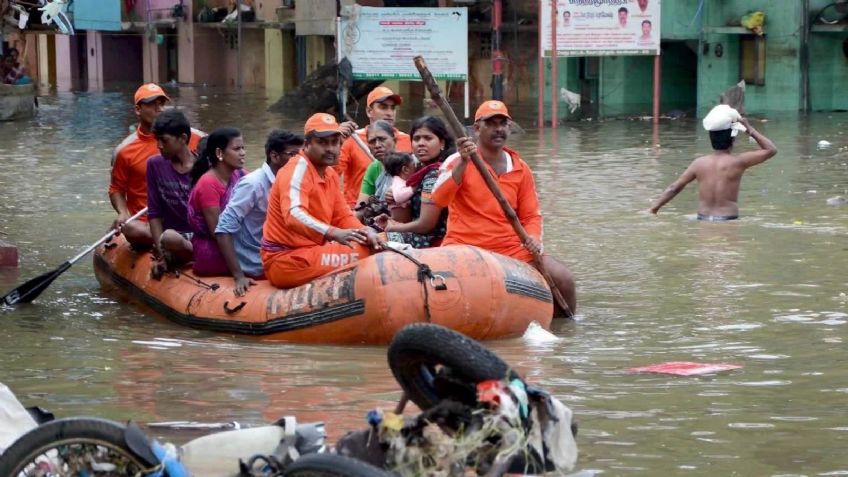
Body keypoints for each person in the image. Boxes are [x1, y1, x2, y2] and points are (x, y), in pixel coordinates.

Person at [431, 101, 576, 315]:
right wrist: (463, 162)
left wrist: (534, 239)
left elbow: (531, 215)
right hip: (465, 245)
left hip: (511, 247)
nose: (498, 128)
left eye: (503, 123)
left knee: (562, 278)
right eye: (491, 123)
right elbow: (439, 199)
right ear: (477, 129)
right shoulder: (457, 160)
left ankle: (565, 328)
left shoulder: (520, 167)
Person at [261, 113, 382, 289]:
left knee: (375, 241)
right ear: (307, 144)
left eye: (335, 142)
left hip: (309, 252)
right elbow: (294, 214)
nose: (330, 149)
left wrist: (365, 231)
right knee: (366, 252)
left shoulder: (330, 173)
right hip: (287, 260)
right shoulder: (297, 169)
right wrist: (333, 233)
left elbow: (342, 216)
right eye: (322, 143)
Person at [109, 83, 203, 249]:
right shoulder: (124, 151)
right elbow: (117, 188)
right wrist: (123, 213)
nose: (158, 109)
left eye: (161, 104)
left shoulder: (193, 137)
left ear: (182, 139)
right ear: (138, 110)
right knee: (132, 228)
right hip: (148, 221)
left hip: (188, 216)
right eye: (152, 104)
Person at [649, 105, 778, 220]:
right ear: (733, 139)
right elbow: (771, 150)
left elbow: (674, 188)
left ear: (711, 138)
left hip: (702, 218)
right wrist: (749, 129)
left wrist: (654, 209)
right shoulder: (738, 162)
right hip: (728, 220)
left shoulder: (698, 163)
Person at [215, 130, 304, 296]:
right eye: (293, 155)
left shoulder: (295, 182)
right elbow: (223, 229)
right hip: (256, 261)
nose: (300, 161)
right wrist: (238, 276)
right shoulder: (253, 184)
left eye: (301, 155)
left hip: (283, 253)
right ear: (275, 156)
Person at [376, 116, 455, 249]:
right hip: (420, 234)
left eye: (428, 138)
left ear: (442, 143)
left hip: (435, 240)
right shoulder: (417, 171)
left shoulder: (436, 174)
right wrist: (395, 203)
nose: (421, 143)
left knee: (378, 240)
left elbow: (426, 224)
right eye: (416, 139)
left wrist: (394, 228)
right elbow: (405, 218)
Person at [336, 86, 412, 208]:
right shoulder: (351, 138)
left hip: (398, 209)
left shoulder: (409, 140)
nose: (389, 113)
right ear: (369, 111)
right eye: (383, 107)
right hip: (357, 208)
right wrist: (335, 142)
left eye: (392, 108)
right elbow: (330, 173)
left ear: (393, 140)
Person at [186, 128, 247, 277]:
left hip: (239, 242)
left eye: (243, 148)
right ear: (219, 153)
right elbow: (218, 233)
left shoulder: (241, 174)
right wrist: (238, 274)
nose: (243, 153)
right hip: (214, 251)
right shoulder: (208, 184)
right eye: (237, 149)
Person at [147, 110, 199, 277]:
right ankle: (172, 255)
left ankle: (198, 255)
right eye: (157, 140)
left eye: (164, 141)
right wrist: (161, 254)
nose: (159, 146)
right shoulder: (154, 165)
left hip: (197, 237)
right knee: (133, 229)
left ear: (183, 139)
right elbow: (154, 213)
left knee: (171, 238)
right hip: (171, 236)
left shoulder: (203, 167)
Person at [354, 120, 398, 222]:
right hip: (378, 224)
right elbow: (360, 209)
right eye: (372, 141)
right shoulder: (373, 168)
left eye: (382, 139)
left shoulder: (408, 165)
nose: (377, 145)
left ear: (394, 140)